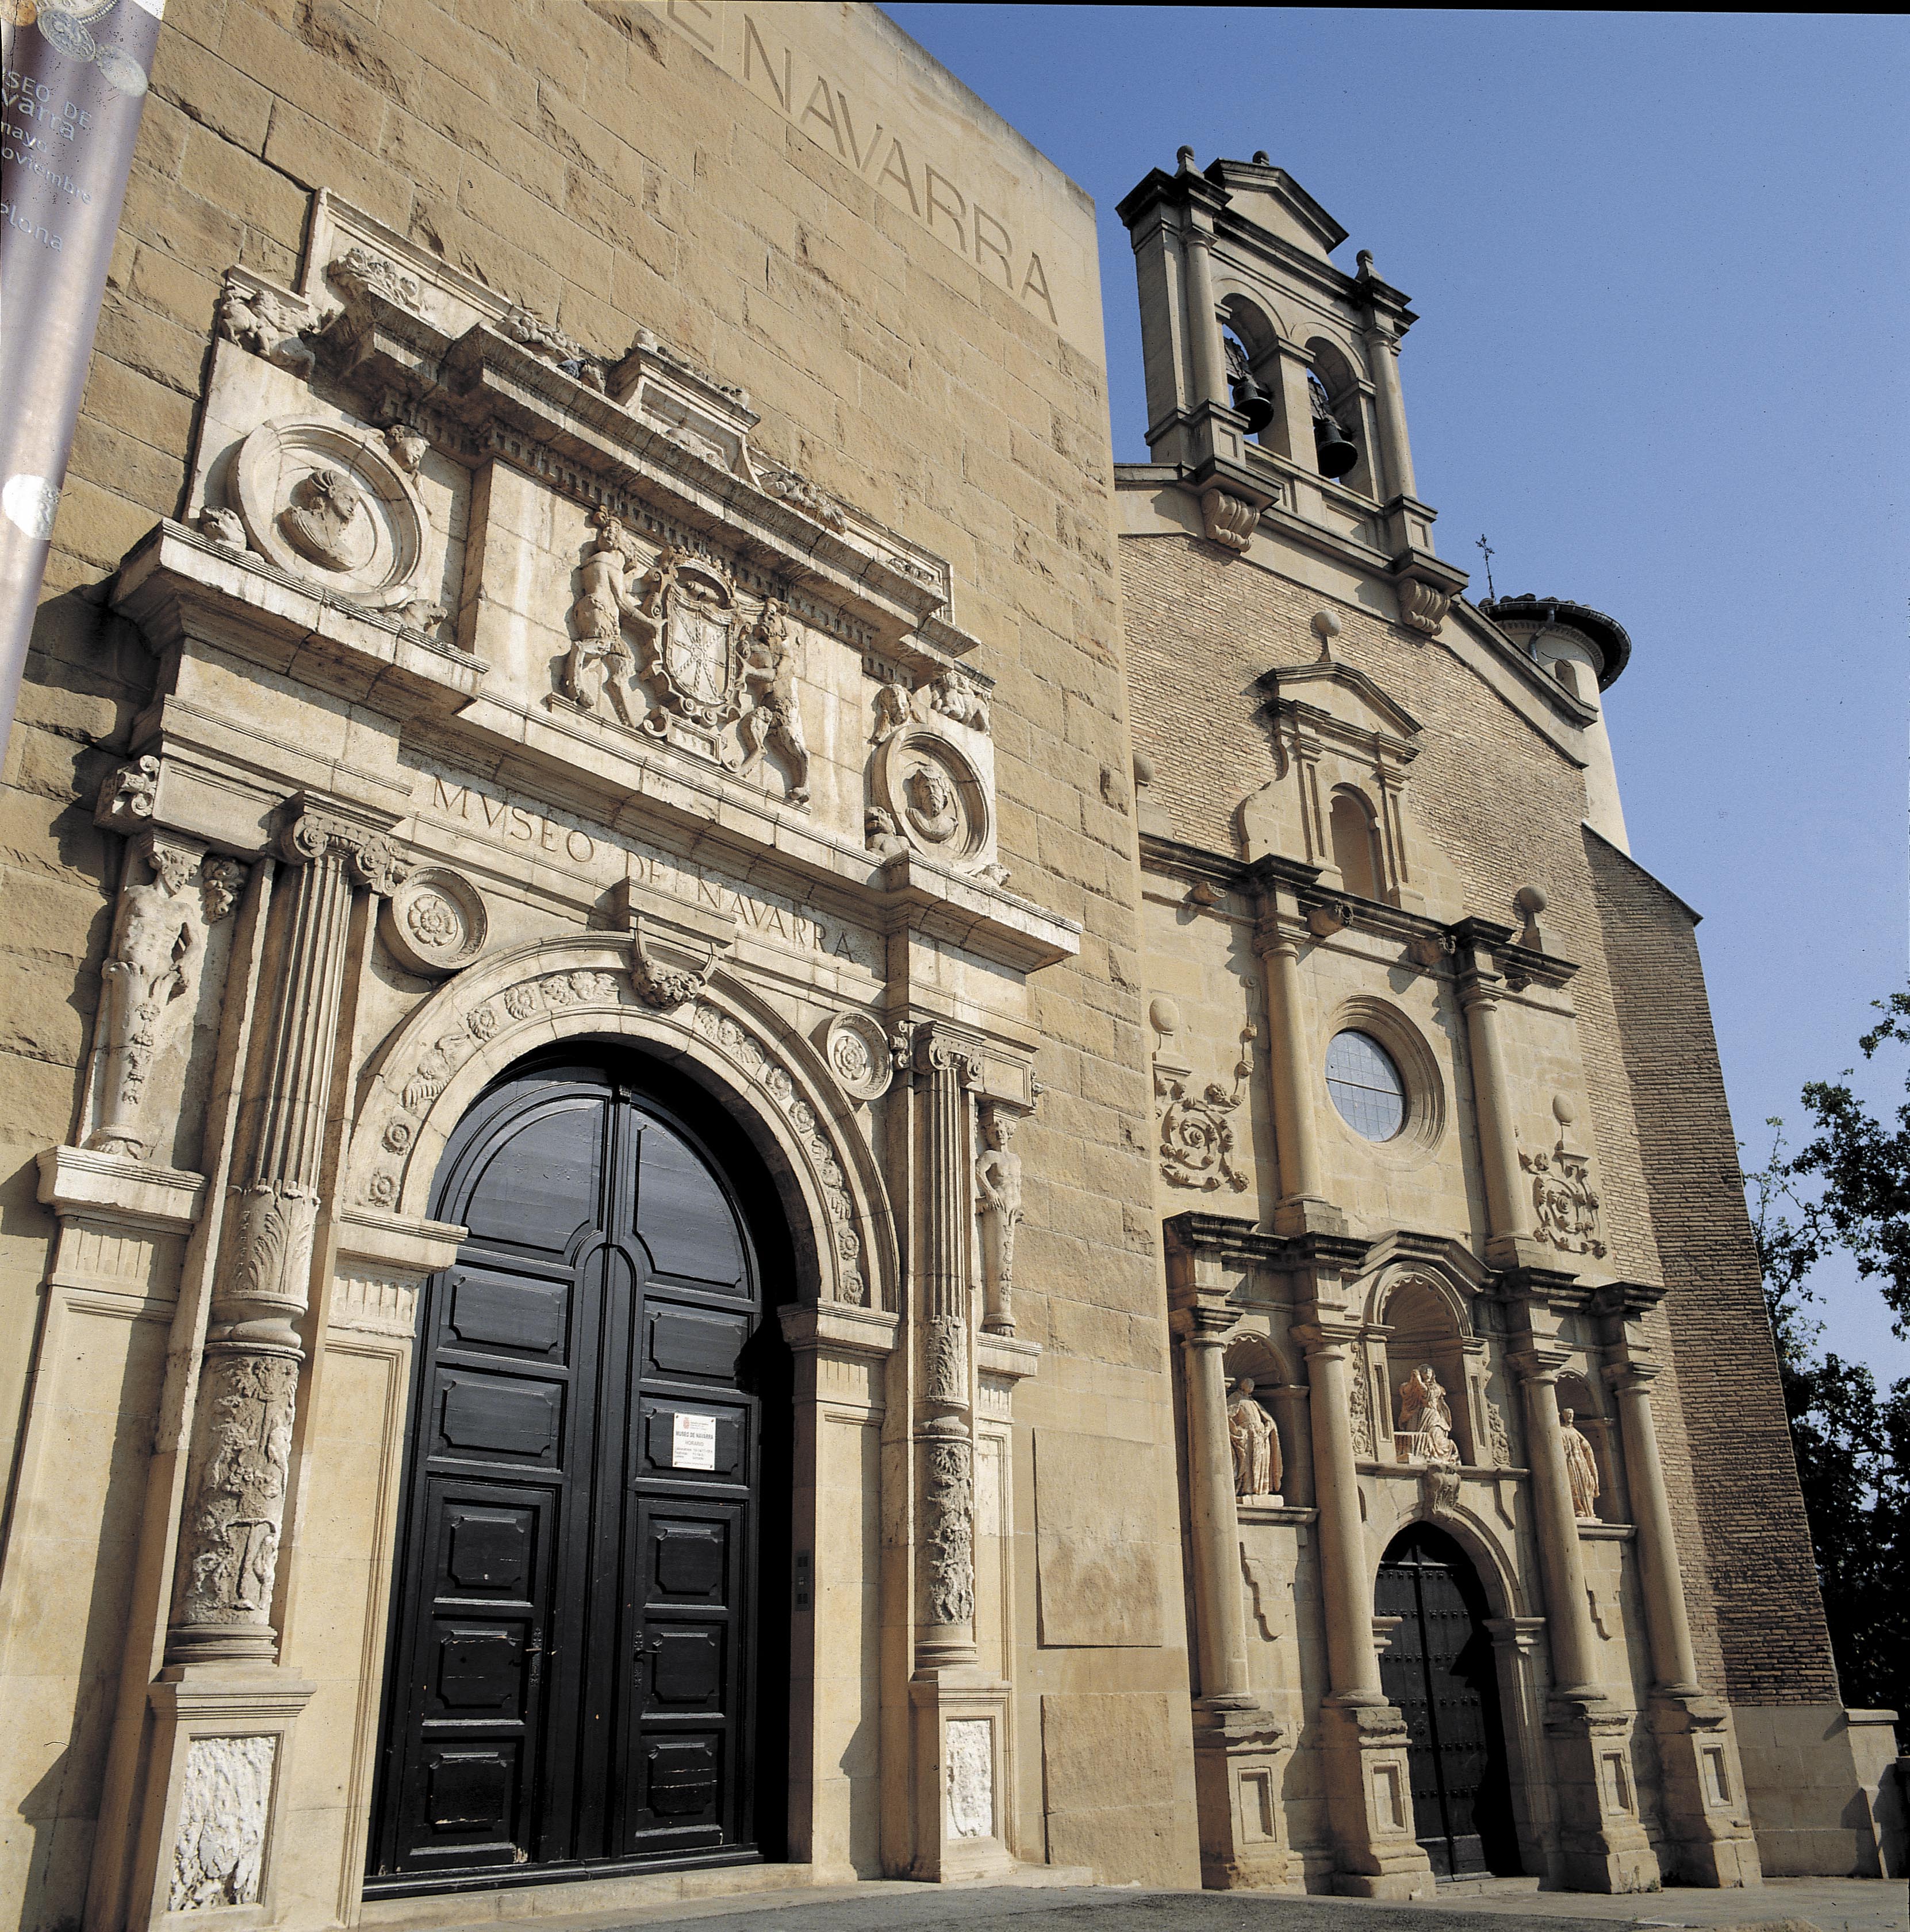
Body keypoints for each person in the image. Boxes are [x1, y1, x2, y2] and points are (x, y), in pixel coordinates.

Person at [1227, 1378, 1281, 1497]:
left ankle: (1260, 1489)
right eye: (1249, 1384)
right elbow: (1227, 1416)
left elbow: (1269, 1420)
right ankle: (1247, 1489)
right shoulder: (1236, 1399)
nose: (1251, 1386)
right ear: (1243, 1385)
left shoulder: (1254, 1403)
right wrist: (1238, 1431)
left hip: (1260, 1437)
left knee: (1260, 1462)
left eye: (1252, 1385)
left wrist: (1267, 1430)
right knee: (1247, 1462)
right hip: (1247, 1436)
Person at [1560, 1407, 1601, 1520]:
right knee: (1574, 1485)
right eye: (1567, 1414)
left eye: (1571, 1414)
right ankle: (1578, 1509)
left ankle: (1589, 1510)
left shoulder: (1575, 1432)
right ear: (1563, 1416)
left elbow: (1586, 1446)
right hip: (1570, 1462)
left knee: (1587, 1484)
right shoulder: (1561, 1431)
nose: (1570, 1416)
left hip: (1581, 1461)